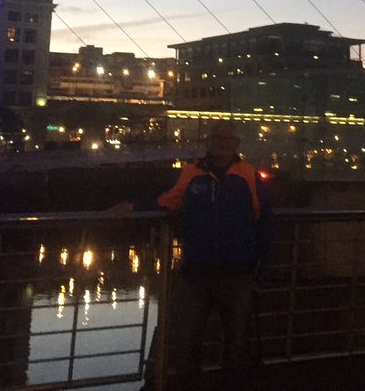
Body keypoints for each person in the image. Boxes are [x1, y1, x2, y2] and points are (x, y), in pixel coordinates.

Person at [112, 121, 273, 390]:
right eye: (216, 138)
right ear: (209, 142)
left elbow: (264, 217)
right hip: (198, 269)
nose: (221, 143)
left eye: (227, 139)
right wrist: (133, 205)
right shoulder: (192, 173)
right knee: (188, 340)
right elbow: (168, 199)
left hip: (238, 270)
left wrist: (262, 260)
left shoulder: (248, 174)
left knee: (237, 342)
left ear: (236, 144)